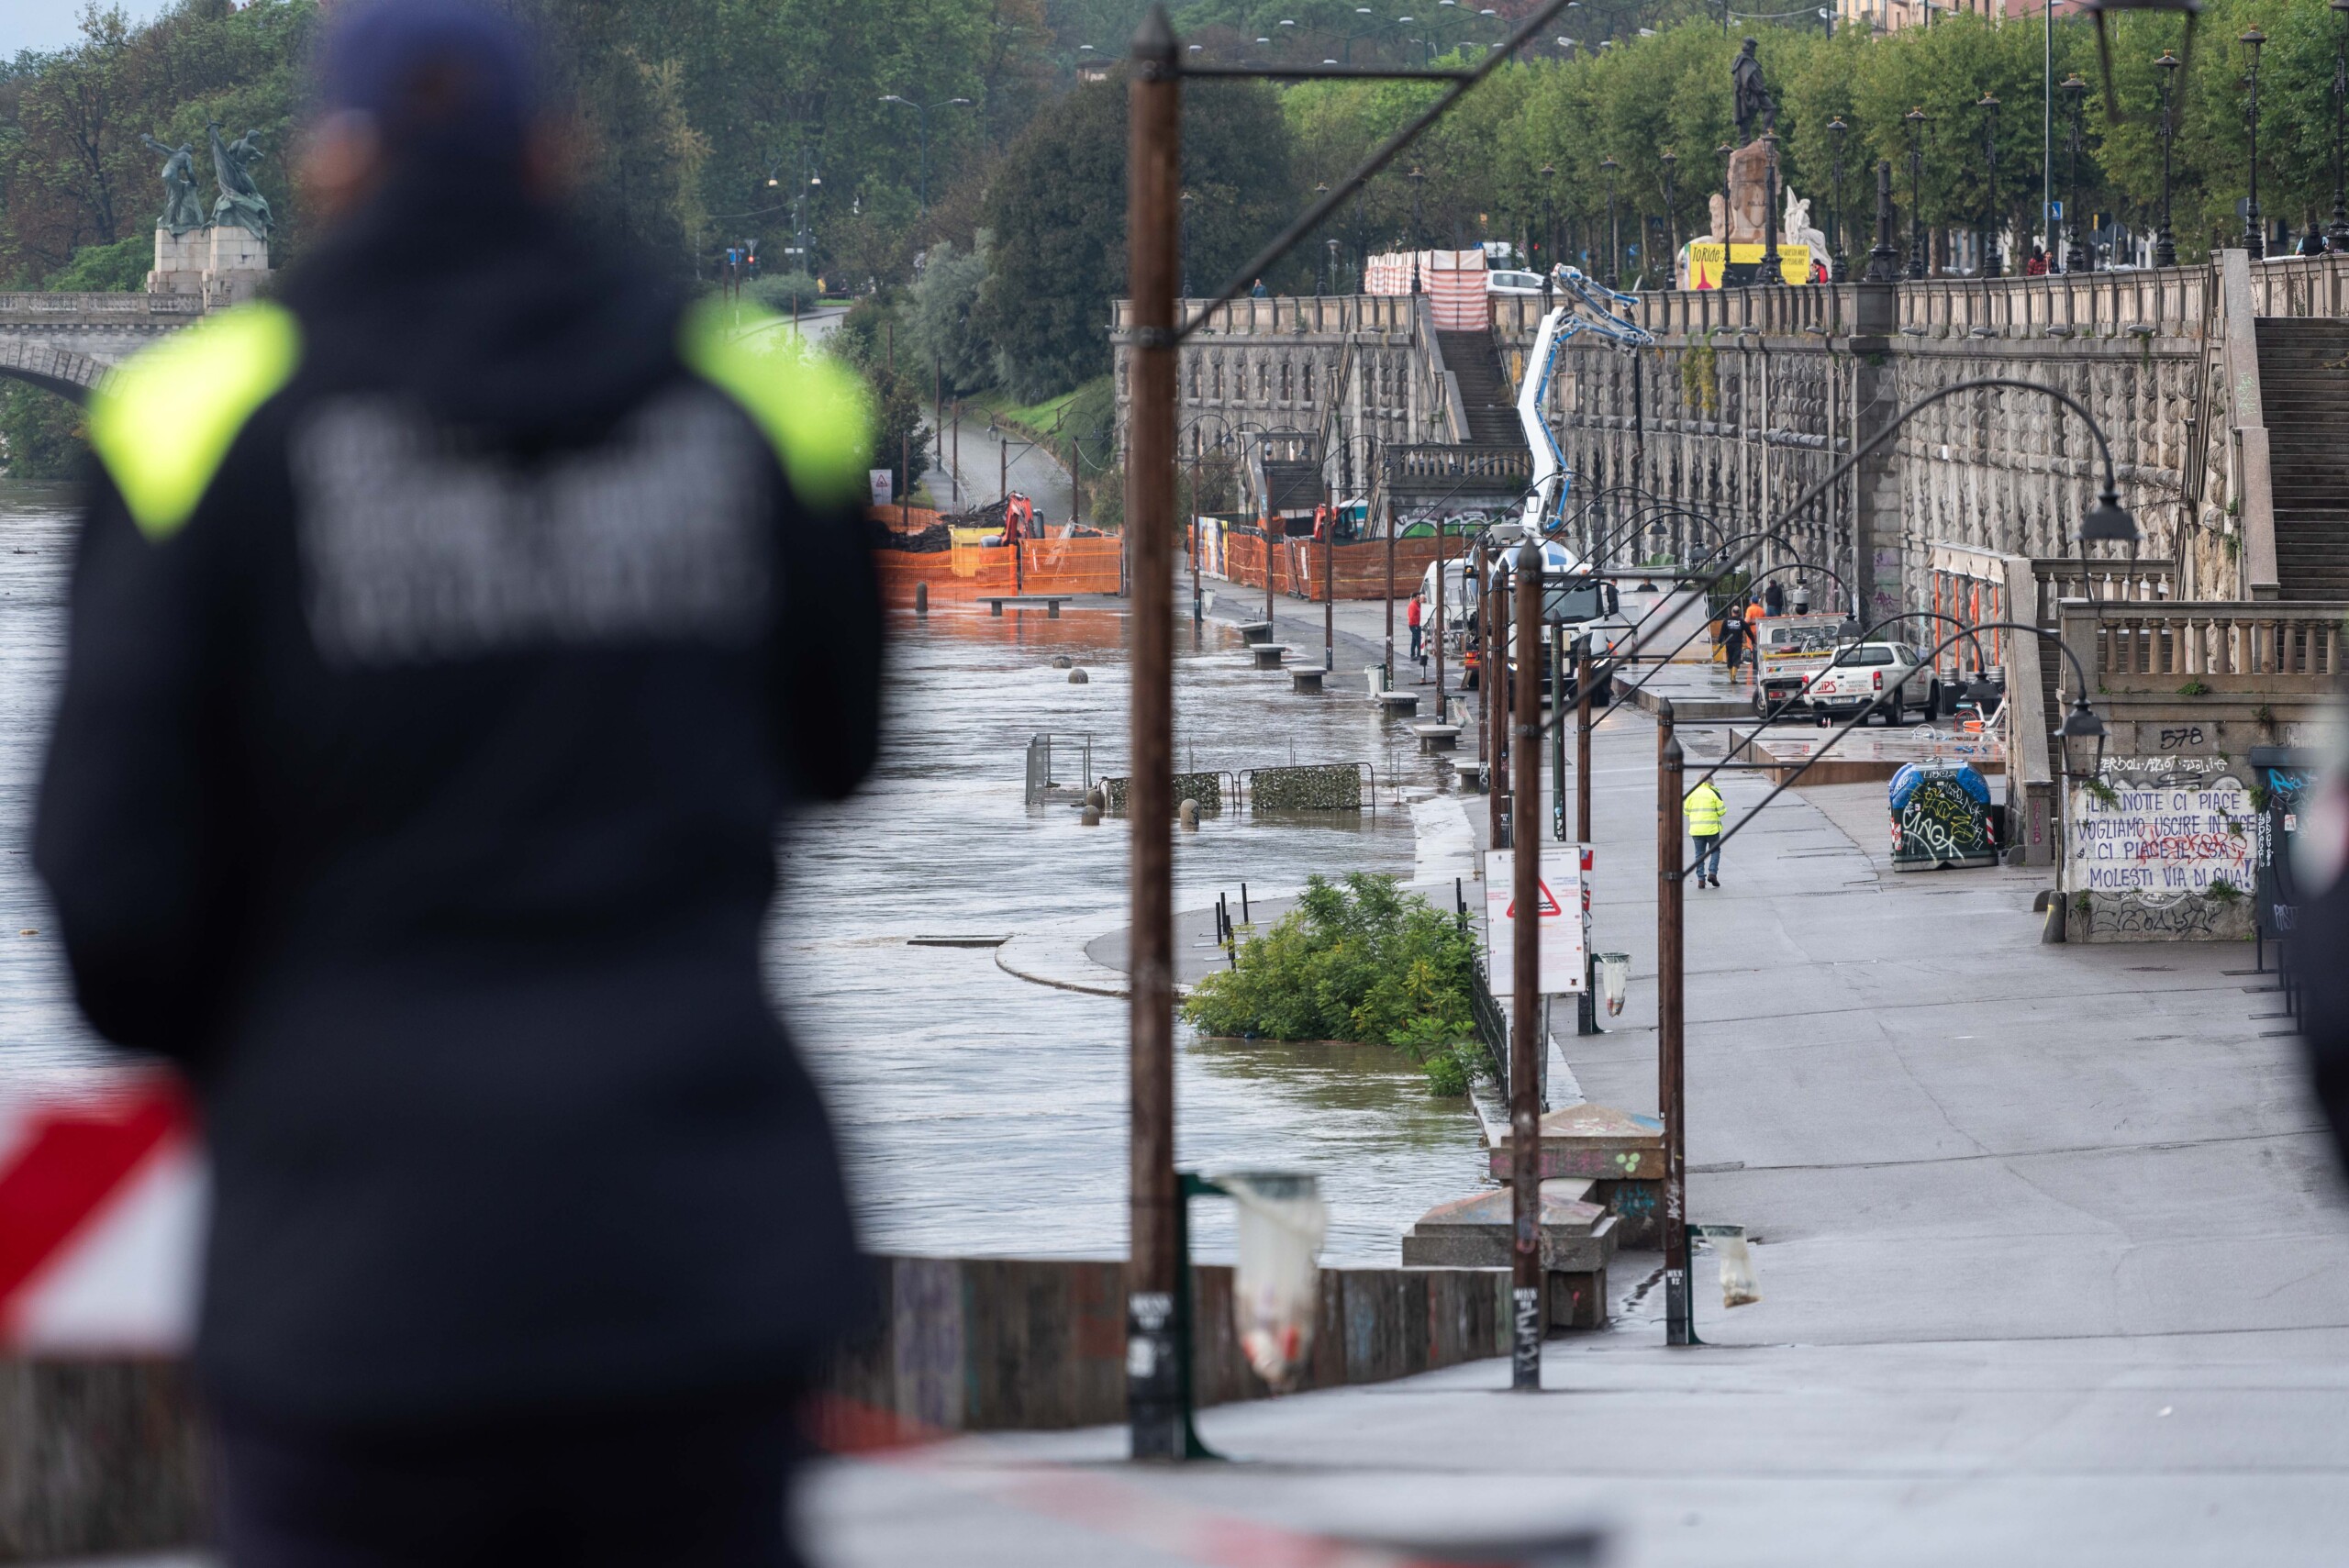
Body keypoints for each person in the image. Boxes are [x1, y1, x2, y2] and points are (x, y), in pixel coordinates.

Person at [33, 4, 881, 1563]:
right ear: (558, 146)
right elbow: (841, 751)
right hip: (694, 1255)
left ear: (324, 162)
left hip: (358, 1280)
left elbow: (116, 921)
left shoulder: (186, 423)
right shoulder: (751, 398)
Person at [1687, 777, 1726, 887]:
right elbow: (1721, 811)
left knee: (1699, 854)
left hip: (1696, 830)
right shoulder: (1714, 792)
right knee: (1715, 850)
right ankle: (1712, 873)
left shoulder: (1691, 793)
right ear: (1711, 783)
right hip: (1712, 829)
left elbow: (1686, 811)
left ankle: (1700, 880)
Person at [1408, 590, 1425, 665]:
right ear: (1414, 598)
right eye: (1418, 597)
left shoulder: (1417, 604)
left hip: (1416, 624)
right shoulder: (1413, 605)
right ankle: (1419, 655)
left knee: (1414, 640)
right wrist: (1416, 624)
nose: (1419, 599)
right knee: (1418, 640)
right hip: (1414, 625)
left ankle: (1413, 655)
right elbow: (1412, 616)